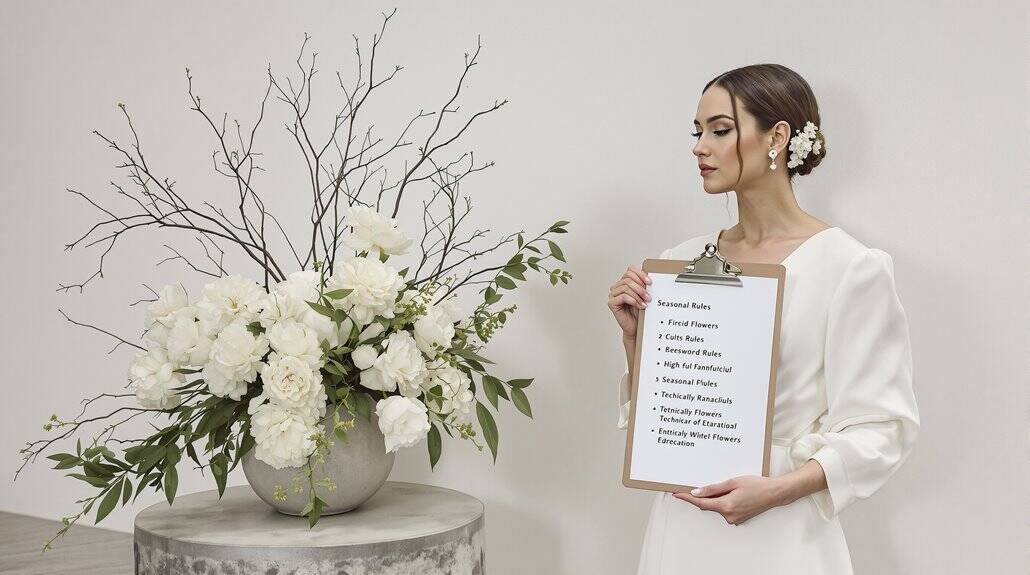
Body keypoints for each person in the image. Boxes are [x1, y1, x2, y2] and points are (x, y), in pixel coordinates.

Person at [607, 64, 920, 574]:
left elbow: (882, 428)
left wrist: (776, 492)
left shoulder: (848, 267)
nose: (699, 146)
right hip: (682, 527)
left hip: (782, 535)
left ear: (777, 137)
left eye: (720, 129)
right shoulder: (681, 261)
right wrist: (636, 339)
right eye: (698, 131)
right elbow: (665, 420)